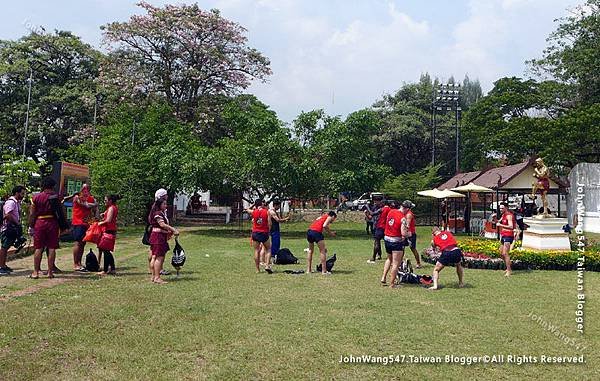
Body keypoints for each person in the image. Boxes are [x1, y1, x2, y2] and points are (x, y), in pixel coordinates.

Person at [28, 177, 61, 279]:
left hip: (40, 222)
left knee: (38, 247)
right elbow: (61, 212)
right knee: (52, 248)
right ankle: (50, 272)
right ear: (53, 186)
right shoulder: (56, 197)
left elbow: (32, 213)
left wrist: (30, 225)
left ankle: (35, 272)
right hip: (53, 223)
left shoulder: (36, 197)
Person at [148, 198, 179, 284]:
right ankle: (157, 277)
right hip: (158, 238)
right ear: (159, 205)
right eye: (164, 204)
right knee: (159, 257)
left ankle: (153, 276)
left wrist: (168, 232)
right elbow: (162, 224)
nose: (166, 206)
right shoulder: (158, 213)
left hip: (157, 236)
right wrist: (173, 229)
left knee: (154, 256)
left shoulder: (159, 213)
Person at [69, 184, 97, 272]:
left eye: (87, 188)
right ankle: (75, 264)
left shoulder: (91, 198)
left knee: (83, 243)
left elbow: (95, 210)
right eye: (84, 188)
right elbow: (87, 205)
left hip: (87, 223)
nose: (85, 190)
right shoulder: (77, 197)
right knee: (78, 242)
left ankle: (79, 263)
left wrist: (95, 220)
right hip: (78, 223)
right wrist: (95, 204)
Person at [0, 186, 27, 275]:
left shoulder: (16, 203)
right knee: (4, 247)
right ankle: (1, 266)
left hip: (12, 228)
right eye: (22, 193)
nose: (23, 195)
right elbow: (8, 215)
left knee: (7, 247)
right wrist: (17, 223)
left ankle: (3, 265)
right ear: (17, 193)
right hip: (8, 228)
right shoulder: (11, 202)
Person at [246, 199, 273, 273]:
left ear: (256, 205)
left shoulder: (254, 212)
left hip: (255, 233)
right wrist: (269, 230)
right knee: (268, 249)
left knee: (256, 250)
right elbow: (270, 223)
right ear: (262, 204)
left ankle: (257, 269)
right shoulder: (267, 212)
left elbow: (247, 209)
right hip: (264, 232)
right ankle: (267, 265)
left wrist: (253, 205)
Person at [97, 195, 120, 275]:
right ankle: (112, 268)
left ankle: (105, 270)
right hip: (111, 230)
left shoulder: (111, 208)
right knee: (106, 251)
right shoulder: (113, 207)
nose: (104, 201)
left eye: (105, 200)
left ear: (110, 201)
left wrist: (100, 223)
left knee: (105, 251)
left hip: (109, 231)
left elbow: (109, 220)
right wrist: (104, 214)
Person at [148, 188, 169, 275]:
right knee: (157, 255)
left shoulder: (159, 207)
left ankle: (154, 272)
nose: (167, 196)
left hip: (157, 232)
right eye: (165, 195)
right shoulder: (157, 209)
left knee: (155, 253)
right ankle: (156, 273)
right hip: (157, 233)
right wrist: (172, 229)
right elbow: (161, 223)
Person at [367, 198, 389, 263]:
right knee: (387, 243)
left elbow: (372, 213)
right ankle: (390, 257)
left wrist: (367, 207)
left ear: (383, 203)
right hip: (387, 228)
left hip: (380, 227)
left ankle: (373, 258)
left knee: (377, 242)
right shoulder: (390, 210)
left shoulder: (382, 209)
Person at [402, 200, 422, 268]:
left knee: (413, 248)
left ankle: (418, 263)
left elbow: (408, 225)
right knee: (401, 248)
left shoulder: (409, 214)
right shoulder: (403, 213)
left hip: (411, 234)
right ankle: (399, 262)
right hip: (405, 233)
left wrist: (405, 233)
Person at [496, 202, 515, 277]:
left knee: (505, 253)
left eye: (502, 208)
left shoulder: (509, 216)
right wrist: (495, 219)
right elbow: (498, 222)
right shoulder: (503, 215)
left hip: (508, 235)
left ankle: (509, 270)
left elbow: (511, 226)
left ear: (506, 208)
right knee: (501, 252)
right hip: (503, 235)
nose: (500, 209)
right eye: (500, 208)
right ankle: (508, 267)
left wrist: (500, 225)